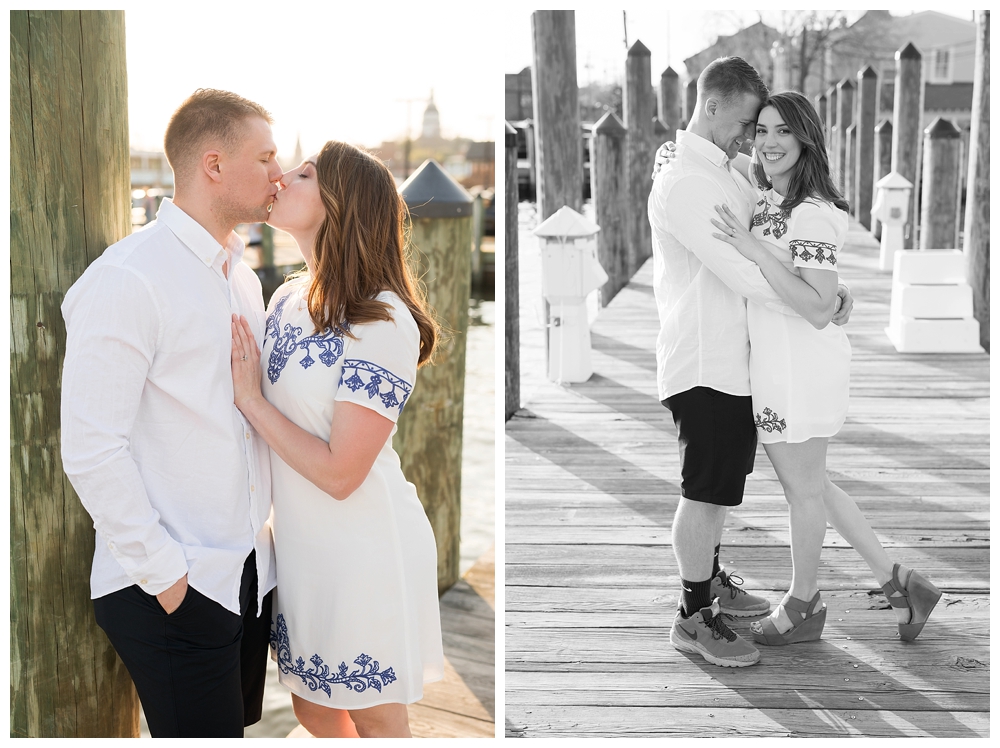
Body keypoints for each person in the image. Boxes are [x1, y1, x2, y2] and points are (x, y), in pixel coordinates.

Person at [60, 89, 283, 737]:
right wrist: (169, 581)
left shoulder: (241, 278)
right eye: (265, 156)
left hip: (243, 576)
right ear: (213, 164)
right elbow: (91, 448)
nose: (279, 172)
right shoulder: (129, 278)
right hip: (173, 588)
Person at [703, 91, 942, 646]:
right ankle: (900, 582)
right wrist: (674, 154)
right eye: (760, 131)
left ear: (806, 137)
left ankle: (802, 603)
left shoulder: (808, 211)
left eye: (783, 131)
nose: (768, 143)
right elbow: (717, 157)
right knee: (816, 486)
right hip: (778, 366)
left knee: (803, 492)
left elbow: (815, 309)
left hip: (801, 369)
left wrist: (756, 252)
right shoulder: (770, 198)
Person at [229, 140, 444, 738]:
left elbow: (341, 474)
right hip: (301, 544)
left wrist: (249, 399)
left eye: (303, 173)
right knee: (315, 709)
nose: (281, 177)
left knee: (374, 715)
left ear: (338, 202)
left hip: (362, 545)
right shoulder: (285, 299)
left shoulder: (383, 317)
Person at [646, 57, 856, 669]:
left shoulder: (721, 168)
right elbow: (742, 269)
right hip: (704, 359)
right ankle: (692, 615)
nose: (752, 138)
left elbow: (771, 230)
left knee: (719, 490)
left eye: (761, 128)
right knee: (704, 493)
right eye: (745, 123)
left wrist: (829, 289)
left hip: (735, 360)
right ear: (711, 107)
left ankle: (709, 580)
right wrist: (818, 301)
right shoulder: (688, 181)